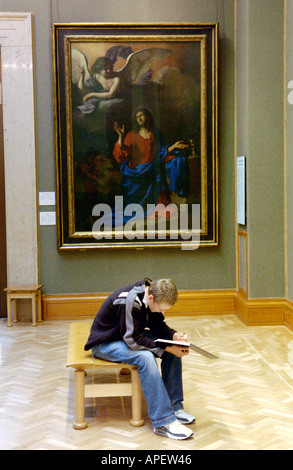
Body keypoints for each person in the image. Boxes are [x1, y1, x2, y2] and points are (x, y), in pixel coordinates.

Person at [84, 277, 195, 440]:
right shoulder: (129, 300)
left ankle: (175, 407)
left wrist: (174, 336)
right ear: (150, 298)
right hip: (106, 343)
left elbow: (158, 326)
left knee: (173, 349)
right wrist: (164, 347)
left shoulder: (154, 295)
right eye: (161, 309)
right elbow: (132, 340)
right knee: (145, 357)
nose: (162, 312)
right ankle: (163, 421)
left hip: (126, 335)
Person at [113, 108, 190, 220]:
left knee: (161, 179)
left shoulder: (156, 134)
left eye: (141, 115)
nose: (139, 118)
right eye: (137, 116)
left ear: (148, 116)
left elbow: (160, 154)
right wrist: (120, 135)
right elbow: (121, 155)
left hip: (151, 171)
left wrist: (174, 147)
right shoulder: (131, 135)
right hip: (135, 174)